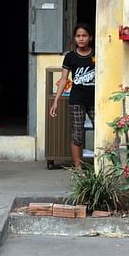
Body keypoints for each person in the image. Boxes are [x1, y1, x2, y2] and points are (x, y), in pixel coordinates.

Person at [50, 23, 96, 169]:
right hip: (76, 101)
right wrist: (56, 101)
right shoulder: (70, 57)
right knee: (77, 135)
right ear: (74, 38)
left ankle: (101, 165)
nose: (81, 39)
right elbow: (64, 79)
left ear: (91, 37)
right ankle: (78, 168)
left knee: (101, 131)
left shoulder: (97, 54)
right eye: (78, 36)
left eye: (84, 36)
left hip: (95, 100)